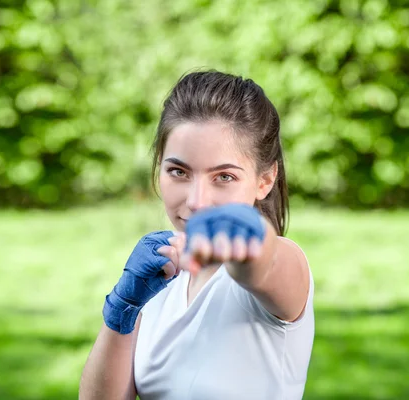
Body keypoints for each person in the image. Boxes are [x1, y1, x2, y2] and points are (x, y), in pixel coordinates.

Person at [79, 71, 315, 400]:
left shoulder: (283, 268)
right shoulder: (161, 276)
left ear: (265, 180)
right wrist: (122, 307)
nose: (196, 200)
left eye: (224, 177)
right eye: (179, 172)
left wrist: (244, 239)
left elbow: (265, 258)